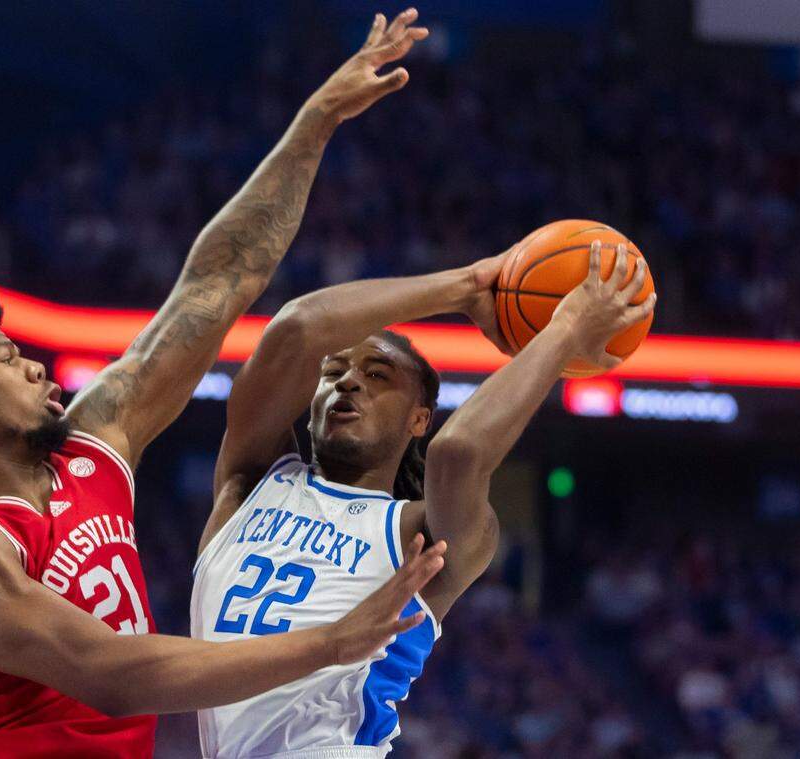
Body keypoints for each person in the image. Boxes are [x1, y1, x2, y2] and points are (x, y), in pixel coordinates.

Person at [0, 10, 435, 758]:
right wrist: (329, 643)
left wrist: (316, 121)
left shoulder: (91, 444)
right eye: (4, 357)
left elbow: (219, 280)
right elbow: (109, 671)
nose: (33, 364)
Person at [192, 240, 656, 757]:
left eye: (377, 375)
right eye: (333, 371)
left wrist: (565, 330)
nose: (348, 381)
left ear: (419, 419)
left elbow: (457, 452)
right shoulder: (250, 482)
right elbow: (295, 329)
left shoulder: (417, 532)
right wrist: (468, 285)